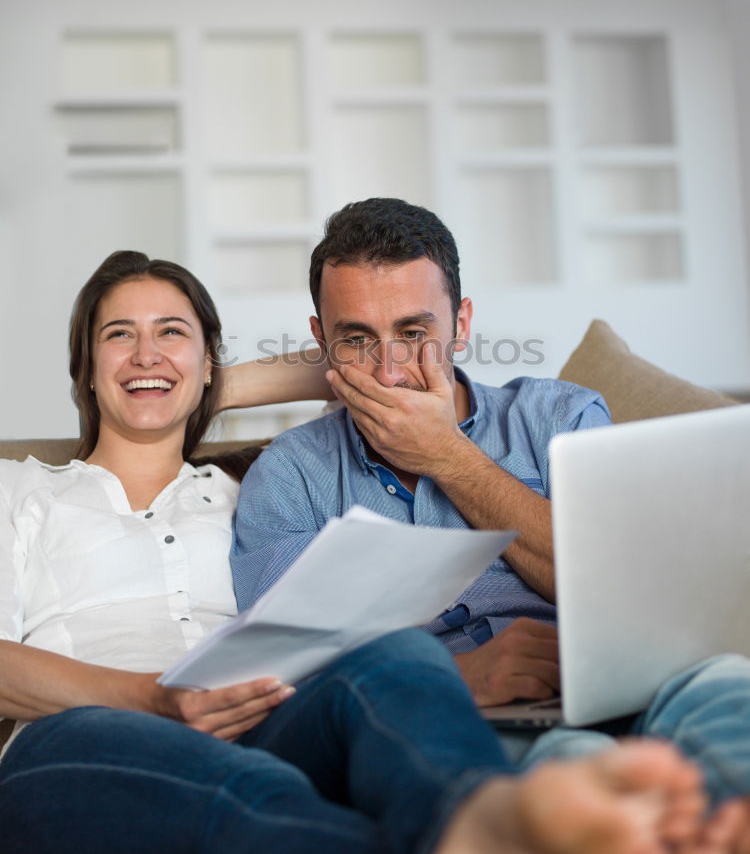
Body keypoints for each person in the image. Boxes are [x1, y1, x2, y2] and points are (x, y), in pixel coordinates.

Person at [4, 249, 738, 854]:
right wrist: (153, 696)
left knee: (403, 655)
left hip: (268, 725)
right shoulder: (21, 491)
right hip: (93, 730)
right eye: (118, 336)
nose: (145, 354)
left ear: (209, 362)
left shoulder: (237, 493)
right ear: (84, 363)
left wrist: (201, 385)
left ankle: (476, 818)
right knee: (232, 787)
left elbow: (382, 357)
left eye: (172, 332)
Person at [231, 197, 750, 809]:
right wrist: (454, 678)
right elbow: (282, 673)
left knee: (728, 696)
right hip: (466, 720)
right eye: (356, 339)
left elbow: (635, 588)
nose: (389, 372)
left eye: (414, 333)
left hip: (631, 685)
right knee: (574, 770)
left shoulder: (558, 415)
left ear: (463, 323)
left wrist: (446, 454)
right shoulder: (290, 473)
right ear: (321, 341)